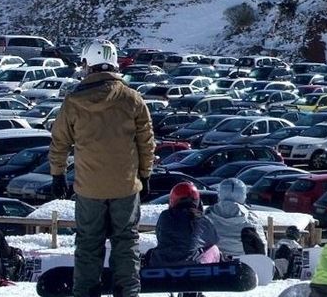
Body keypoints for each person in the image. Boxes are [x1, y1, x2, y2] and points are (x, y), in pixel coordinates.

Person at [49, 39, 155, 297]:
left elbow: (59, 141)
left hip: (89, 188)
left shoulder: (73, 101)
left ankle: (85, 292)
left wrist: (58, 174)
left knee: (88, 243)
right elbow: (146, 141)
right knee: (126, 241)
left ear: (88, 65)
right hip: (125, 186)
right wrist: (145, 174)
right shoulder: (132, 98)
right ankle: (127, 292)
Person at [149, 182, 221, 267]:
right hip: (193, 266)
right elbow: (214, 239)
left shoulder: (165, 216)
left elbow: (160, 237)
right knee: (214, 249)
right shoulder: (202, 220)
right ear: (198, 202)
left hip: (162, 263)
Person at [204, 178, 267, 257]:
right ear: (243, 195)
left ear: (220, 194)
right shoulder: (251, 219)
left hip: (214, 265)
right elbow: (262, 248)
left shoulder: (207, 216)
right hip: (245, 265)